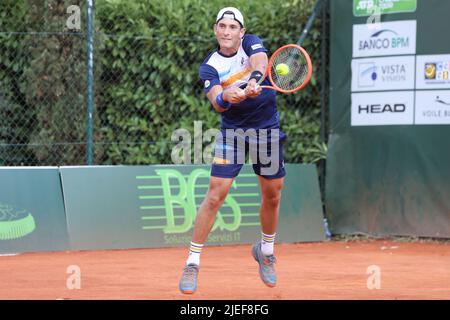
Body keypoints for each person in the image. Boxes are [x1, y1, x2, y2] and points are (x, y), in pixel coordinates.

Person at [179, 7, 286, 294]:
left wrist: (254, 79)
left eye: (232, 27)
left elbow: (261, 60)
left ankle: (265, 251)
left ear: (241, 31)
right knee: (216, 193)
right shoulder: (209, 66)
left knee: (273, 194)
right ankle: (192, 262)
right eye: (222, 26)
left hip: (266, 130)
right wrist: (228, 95)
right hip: (233, 134)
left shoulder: (251, 42)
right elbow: (216, 100)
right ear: (215, 30)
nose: (227, 31)